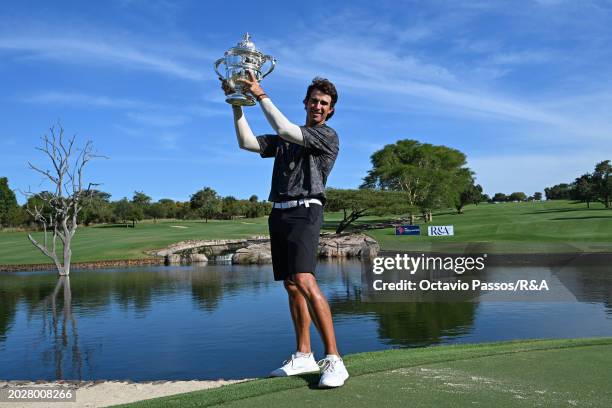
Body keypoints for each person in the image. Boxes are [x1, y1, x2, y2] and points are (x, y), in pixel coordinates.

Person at [221, 71, 349, 388]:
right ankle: (304, 354)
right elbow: (246, 142)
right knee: (291, 285)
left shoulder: (327, 136)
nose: (319, 106)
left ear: (330, 110)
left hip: (306, 210)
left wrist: (260, 93)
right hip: (278, 212)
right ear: (305, 103)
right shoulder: (285, 141)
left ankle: (334, 358)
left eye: (325, 103)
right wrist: (237, 103)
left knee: (305, 279)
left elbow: (282, 127)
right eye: (314, 101)